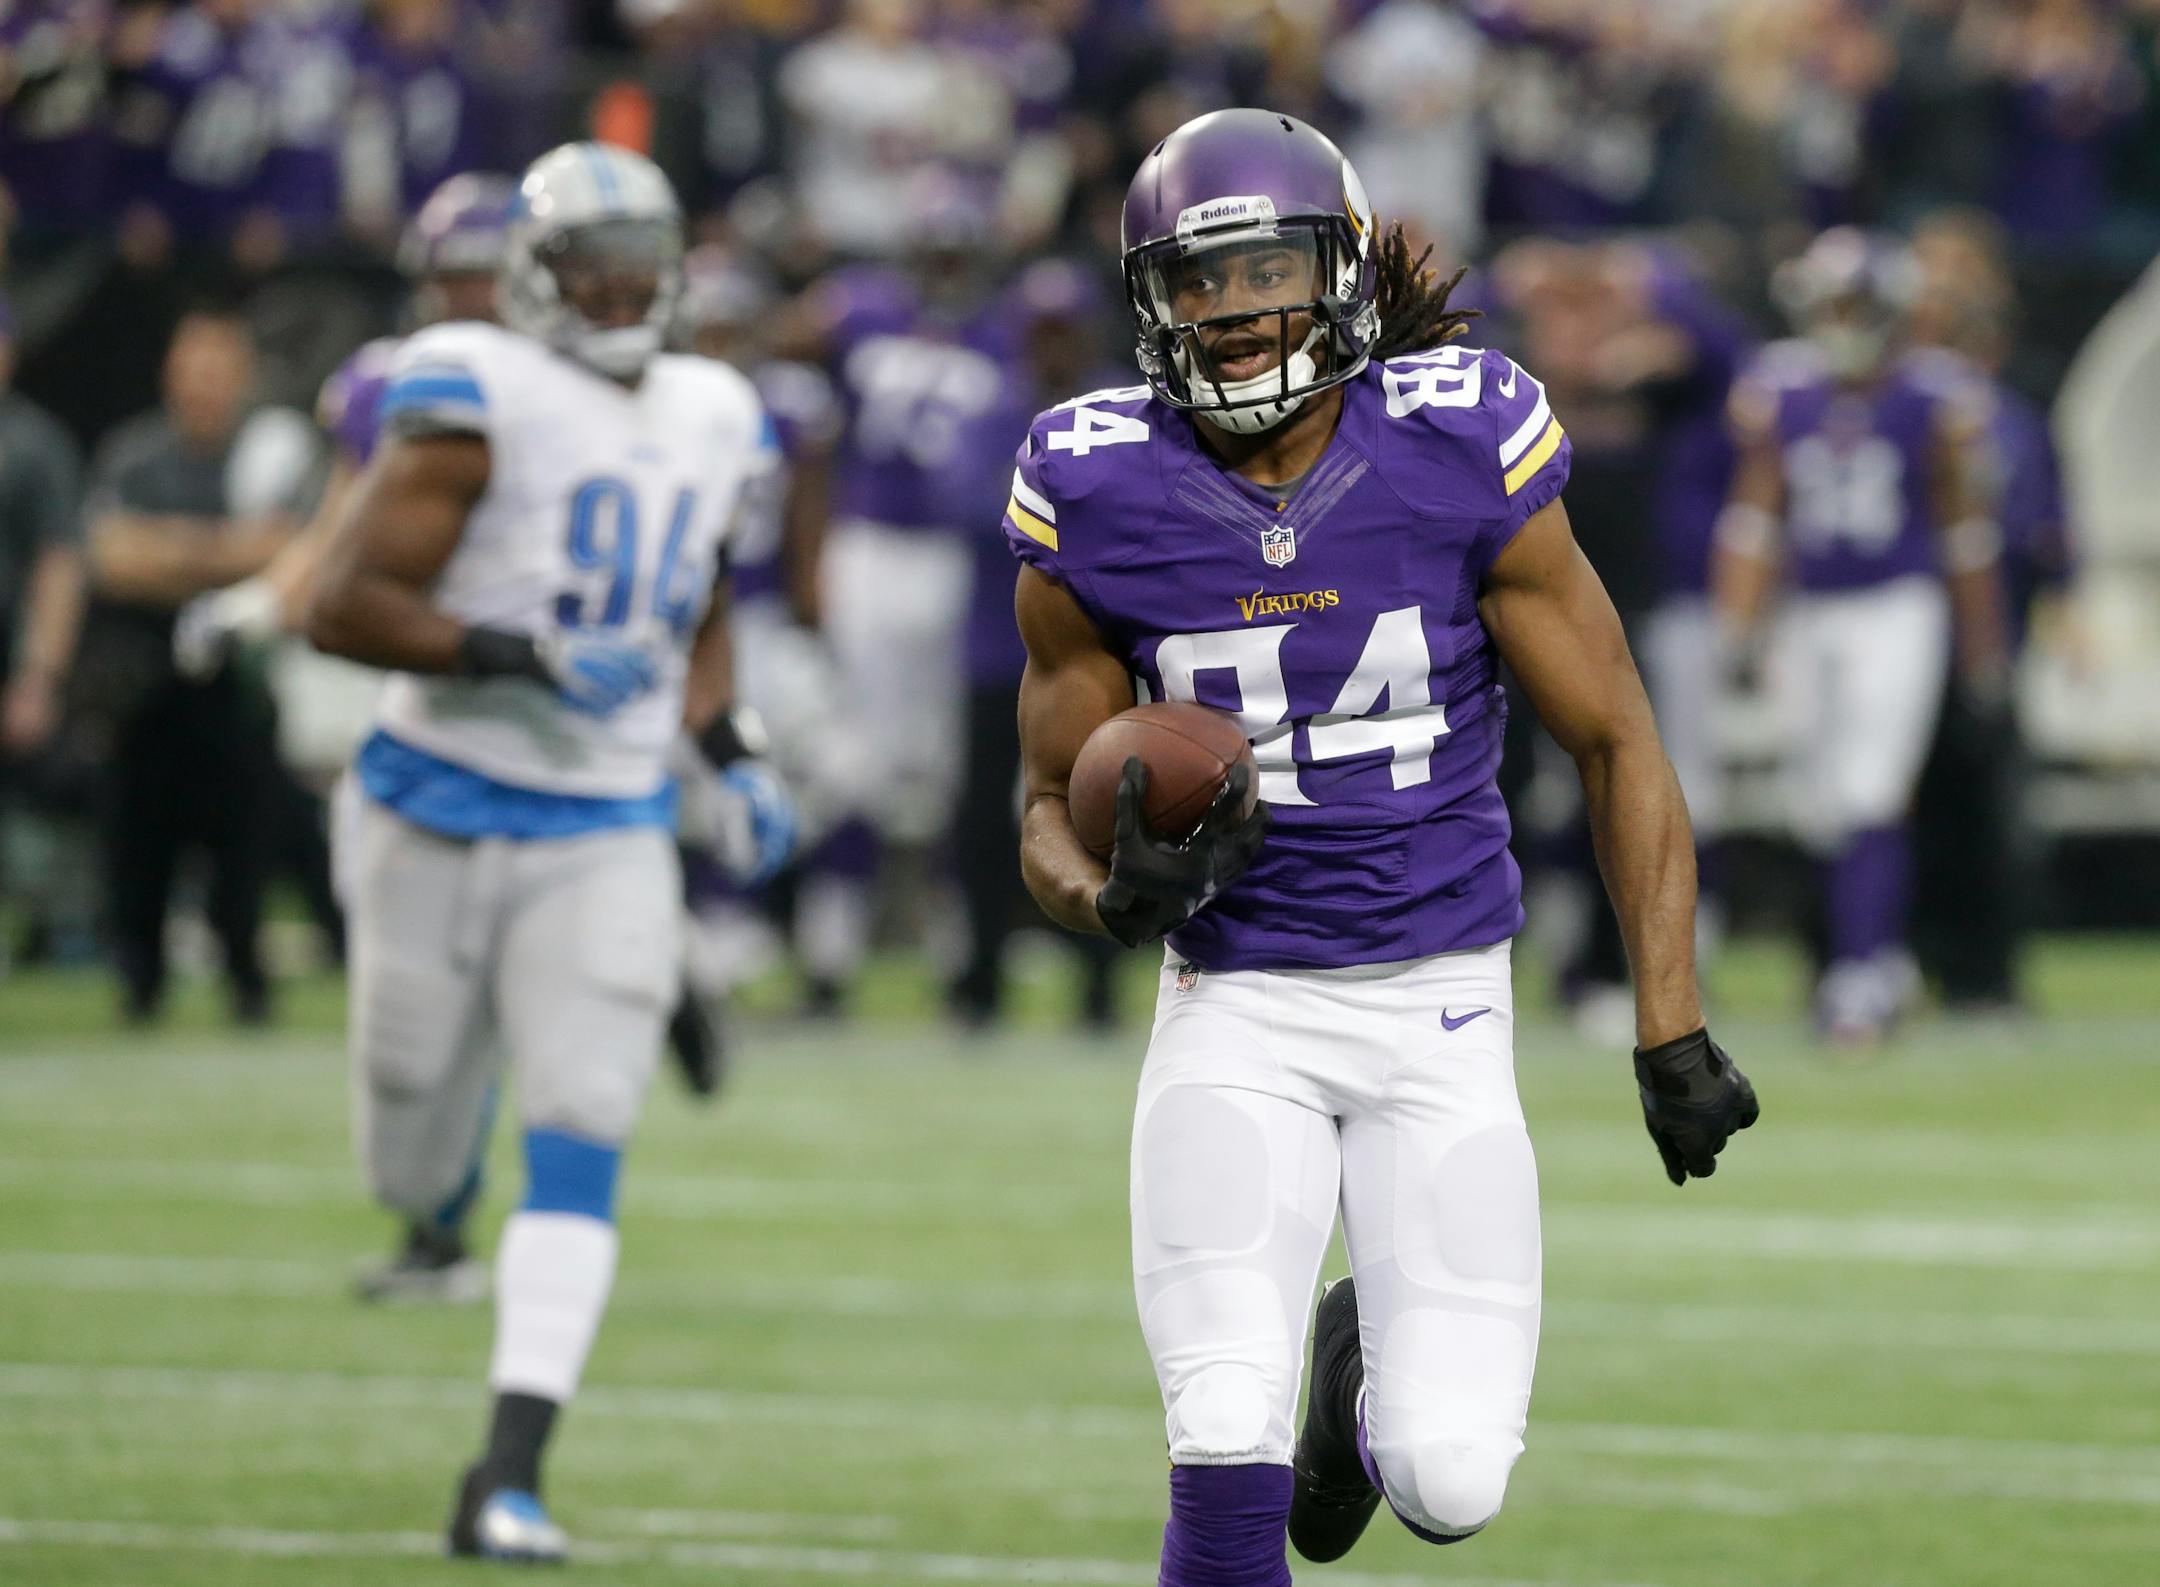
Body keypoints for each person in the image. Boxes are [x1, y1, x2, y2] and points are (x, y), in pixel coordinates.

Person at [1006, 109, 1758, 1585]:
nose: (1231, 314)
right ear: (1150, 302)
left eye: (1264, 270)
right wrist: (1109, 896)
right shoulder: (1094, 481)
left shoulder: (1460, 438)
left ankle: (1352, 1390)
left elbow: (1616, 737)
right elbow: (1044, 800)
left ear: (1343, 267)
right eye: (1196, 282)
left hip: (1443, 1004)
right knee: (1221, 1424)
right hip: (1238, 1002)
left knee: (1451, 1478)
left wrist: (1670, 1023)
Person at [304, 140, 790, 1563]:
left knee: (581, 1123)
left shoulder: (717, 408)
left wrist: (728, 741)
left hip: (605, 820)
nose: (621, 286)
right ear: (534, 278)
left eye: (642, 260)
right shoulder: (471, 385)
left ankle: (505, 1470)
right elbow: (345, 602)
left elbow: (696, 590)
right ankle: (433, 1181)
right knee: (407, 1122)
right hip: (432, 797)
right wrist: (512, 647)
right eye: (593, 264)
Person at [1716, 226, 2008, 1047]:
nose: (1840, 319)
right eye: (1830, 303)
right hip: (1807, 612)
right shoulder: (1783, 388)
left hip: (1897, 606)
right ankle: (1864, 959)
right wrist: (1737, 627)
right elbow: (1753, 517)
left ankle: (1862, 974)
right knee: (1814, 803)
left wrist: (1984, 643)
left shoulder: (1933, 395)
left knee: (1871, 789)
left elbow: (1964, 530)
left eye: (1854, 303)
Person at [83, 306, 317, 1023]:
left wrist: (174, 552)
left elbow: (291, 554)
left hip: (237, 679)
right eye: (194, 367)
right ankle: (140, 980)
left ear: (242, 376)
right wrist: (225, 553)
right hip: (146, 678)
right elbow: (114, 557)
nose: (206, 383)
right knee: (139, 839)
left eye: (220, 368)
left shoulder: (272, 449)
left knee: (246, 840)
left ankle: (247, 978)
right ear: (170, 373)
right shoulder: (135, 453)